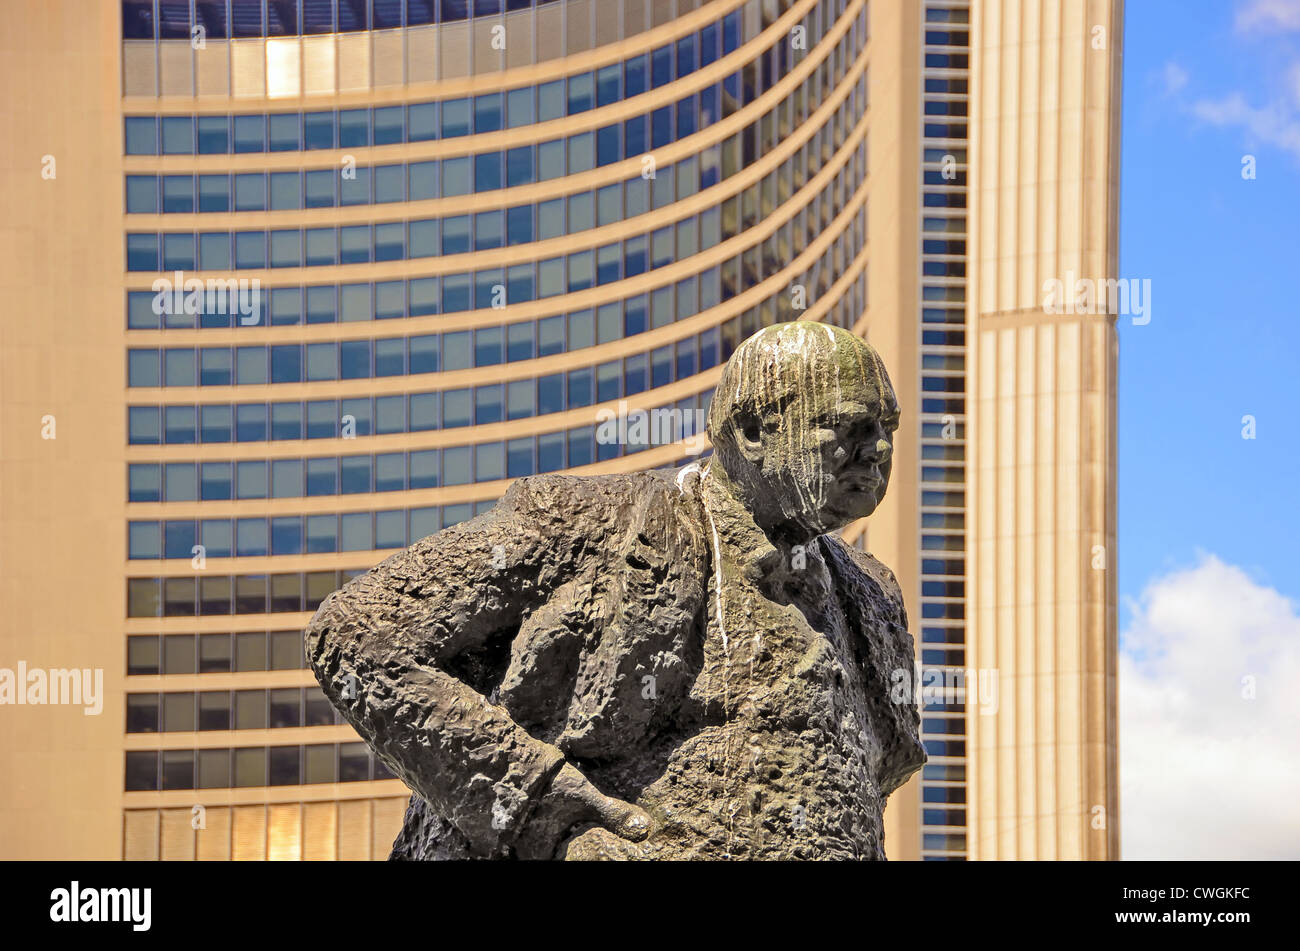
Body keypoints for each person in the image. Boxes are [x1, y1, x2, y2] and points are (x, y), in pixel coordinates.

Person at [306, 321, 925, 860]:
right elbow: (358, 634)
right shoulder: (595, 526)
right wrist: (532, 799)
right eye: (850, 426)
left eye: (889, 426)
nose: (880, 449)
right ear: (755, 432)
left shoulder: (871, 597)